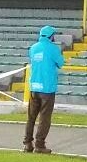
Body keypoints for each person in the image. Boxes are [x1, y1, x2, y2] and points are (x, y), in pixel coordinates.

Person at [25, 25, 65, 154]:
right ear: (51, 36)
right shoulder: (53, 49)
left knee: (31, 117)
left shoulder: (33, 48)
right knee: (44, 118)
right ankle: (39, 145)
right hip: (47, 88)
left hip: (33, 87)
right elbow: (61, 63)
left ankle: (27, 144)